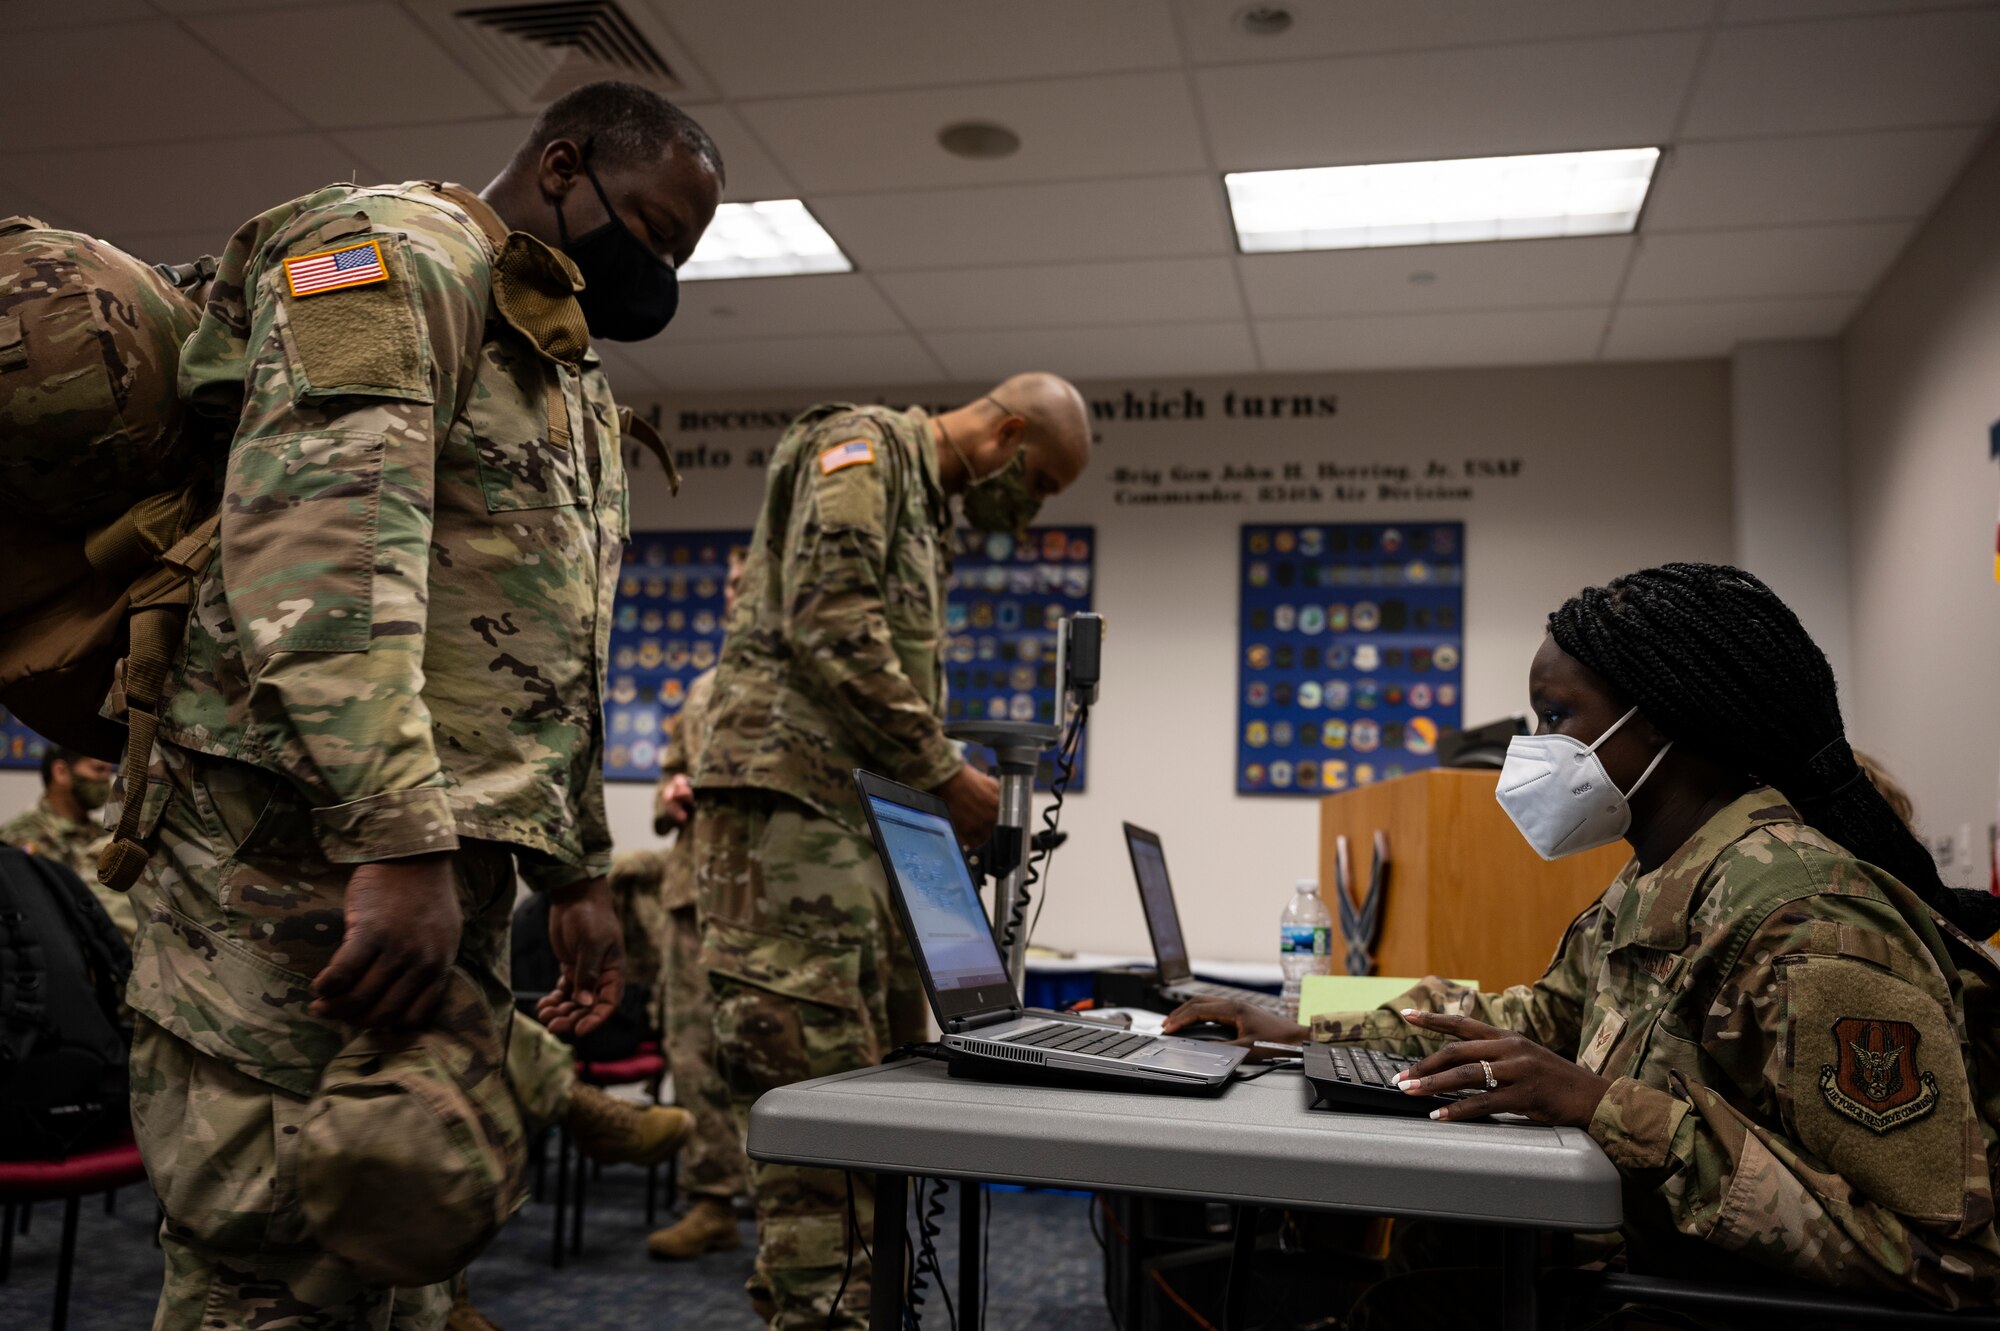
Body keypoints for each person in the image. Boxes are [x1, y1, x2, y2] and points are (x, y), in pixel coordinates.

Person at [124, 80, 721, 1330]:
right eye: (653, 230)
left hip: (432, 865)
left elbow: (543, 658)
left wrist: (576, 874)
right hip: (298, 861)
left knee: (398, 1221)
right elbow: (322, 555)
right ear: (562, 166)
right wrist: (397, 841)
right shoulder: (388, 258)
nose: (655, 269)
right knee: (276, 1247)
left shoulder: (552, 357)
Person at [1167, 563, 2000, 1319]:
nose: (1534, 747)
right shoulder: (1659, 880)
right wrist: (1311, 1027)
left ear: (1669, 720)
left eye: (1559, 715)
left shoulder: (1805, 923)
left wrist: (1608, 1109)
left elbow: (1945, 1258)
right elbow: (1536, 1016)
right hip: (1625, 1271)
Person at [694, 375, 1094, 1326]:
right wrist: (945, 773)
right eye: (1035, 484)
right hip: (791, 817)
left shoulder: (924, 504)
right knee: (815, 1111)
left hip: (854, 825)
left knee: (871, 1093)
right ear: (1003, 434)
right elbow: (832, 623)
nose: (1026, 511)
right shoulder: (863, 449)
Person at [647, 546, 752, 1261]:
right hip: (689, 895)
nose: (733, 595)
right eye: (730, 585)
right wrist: (670, 795)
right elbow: (664, 788)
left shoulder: (793, 688)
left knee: (767, 1055)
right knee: (694, 1053)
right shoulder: (702, 691)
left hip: (759, 900)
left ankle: (786, 1210)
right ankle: (711, 1199)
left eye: (748, 584)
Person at [1, 745, 127, 940]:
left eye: (108, 772)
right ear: (60, 772)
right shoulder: (23, 836)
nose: (105, 780)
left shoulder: (103, 834)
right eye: (97, 769)